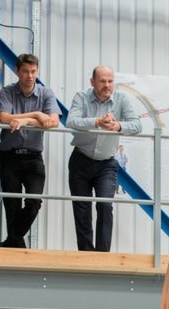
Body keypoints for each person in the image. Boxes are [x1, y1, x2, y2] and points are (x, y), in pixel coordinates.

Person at [66, 65, 142, 251]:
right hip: (80, 161)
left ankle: (102, 254)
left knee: (105, 206)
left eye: (110, 81)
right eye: (102, 81)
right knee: (82, 209)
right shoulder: (81, 97)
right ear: (92, 82)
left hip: (106, 164)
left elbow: (137, 125)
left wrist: (117, 126)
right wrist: (97, 121)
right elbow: (71, 121)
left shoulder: (122, 99)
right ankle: (86, 254)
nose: (107, 85)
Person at [0, 53, 61, 248]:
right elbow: (5, 118)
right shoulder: (7, 92)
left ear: (37, 71)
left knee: (34, 202)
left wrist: (24, 120)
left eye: (33, 72)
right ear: (17, 71)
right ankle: (16, 244)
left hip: (33, 158)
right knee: (11, 204)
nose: (30, 76)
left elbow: (54, 121)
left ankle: (12, 240)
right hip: (9, 156)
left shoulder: (46, 93)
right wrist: (37, 115)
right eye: (25, 71)